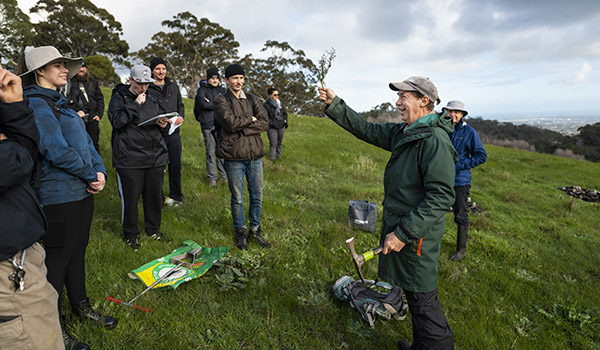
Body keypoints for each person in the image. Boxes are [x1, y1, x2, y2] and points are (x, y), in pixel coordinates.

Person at [318, 76, 457, 349]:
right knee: (415, 295)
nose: (398, 102)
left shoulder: (433, 140)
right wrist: (335, 105)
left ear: (423, 100)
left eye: (404, 96)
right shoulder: (407, 132)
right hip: (406, 230)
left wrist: (403, 233)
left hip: (416, 237)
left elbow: (441, 197)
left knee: (423, 299)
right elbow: (367, 130)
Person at [17, 46, 116, 350]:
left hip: (81, 194)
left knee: (77, 252)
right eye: (57, 65)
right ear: (39, 72)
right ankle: (54, 328)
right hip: (57, 196)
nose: (65, 70)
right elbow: (54, 149)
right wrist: (89, 174)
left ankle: (81, 308)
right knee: (57, 262)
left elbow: (86, 143)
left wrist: (100, 173)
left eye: (64, 65)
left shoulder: (63, 104)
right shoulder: (37, 104)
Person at [0, 66, 65, 350]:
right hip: (8, 271)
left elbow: (25, 156)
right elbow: (13, 164)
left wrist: (14, 107)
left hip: (23, 251)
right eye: (58, 64)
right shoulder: (39, 102)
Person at [107, 65, 171, 250]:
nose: (143, 88)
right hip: (129, 157)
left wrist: (163, 124)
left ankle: (153, 230)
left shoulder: (152, 99)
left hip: (155, 156)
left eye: (147, 84)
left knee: (153, 197)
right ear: (131, 80)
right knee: (131, 198)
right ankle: (131, 234)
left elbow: (162, 126)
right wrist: (135, 104)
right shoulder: (119, 97)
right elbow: (117, 121)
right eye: (140, 84)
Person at [214, 64, 271, 249]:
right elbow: (229, 124)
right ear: (227, 80)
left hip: (255, 156)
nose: (238, 81)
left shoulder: (253, 99)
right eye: (234, 78)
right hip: (233, 157)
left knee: (257, 196)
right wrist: (250, 119)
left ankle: (255, 230)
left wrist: (242, 128)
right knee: (237, 197)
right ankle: (240, 231)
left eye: (241, 77)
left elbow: (264, 123)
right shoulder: (220, 100)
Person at [444, 100, 487, 261]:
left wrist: (460, 165)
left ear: (462, 115)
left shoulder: (469, 132)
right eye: (450, 111)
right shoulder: (443, 129)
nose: (453, 114)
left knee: (460, 215)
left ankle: (460, 251)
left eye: (456, 112)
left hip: (460, 181)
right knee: (435, 211)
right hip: (440, 179)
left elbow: (481, 156)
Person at [147, 57, 185, 206]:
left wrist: (180, 116)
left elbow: (180, 104)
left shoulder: (173, 86)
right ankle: (157, 196)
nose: (161, 71)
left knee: (175, 165)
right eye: (157, 69)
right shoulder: (148, 87)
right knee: (158, 167)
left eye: (163, 68)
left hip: (174, 132)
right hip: (157, 133)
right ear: (152, 71)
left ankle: (176, 195)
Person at [194, 67, 227, 187]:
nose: (215, 80)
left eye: (216, 77)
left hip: (221, 126)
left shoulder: (223, 90)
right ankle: (212, 179)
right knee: (210, 153)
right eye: (212, 78)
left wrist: (211, 103)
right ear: (208, 78)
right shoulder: (201, 90)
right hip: (208, 125)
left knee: (222, 152)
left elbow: (226, 105)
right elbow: (202, 105)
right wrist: (216, 104)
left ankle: (224, 177)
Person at [65, 60, 105, 153]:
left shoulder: (92, 82)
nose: (81, 69)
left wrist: (99, 114)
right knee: (78, 145)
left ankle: (96, 166)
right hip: (77, 119)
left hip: (92, 119)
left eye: (83, 67)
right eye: (79, 67)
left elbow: (99, 98)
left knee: (94, 145)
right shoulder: (69, 83)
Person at [263, 87, 288, 163]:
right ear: (270, 95)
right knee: (273, 143)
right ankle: (272, 159)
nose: (277, 96)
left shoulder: (280, 104)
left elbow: (285, 113)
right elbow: (264, 116)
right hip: (272, 127)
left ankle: (279, 158)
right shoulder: (266, 105)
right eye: (275, 95)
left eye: (278, 94)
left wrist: (285, 120)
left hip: (281, 126)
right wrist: (270, 122)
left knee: (279, 143)